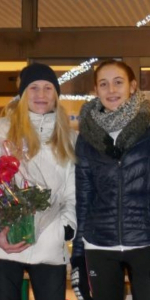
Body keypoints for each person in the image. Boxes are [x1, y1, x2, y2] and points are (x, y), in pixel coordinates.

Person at [71, 59, 150, 300]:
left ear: (132, 86)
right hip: (99, 244)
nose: (111, 90)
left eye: (118, 82)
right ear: (96, 90)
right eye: (104, 84)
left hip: (149, 241)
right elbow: (84, 198)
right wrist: (78, 256)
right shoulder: (87, 135)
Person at [0, 63, 77, 300]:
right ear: (23, 94)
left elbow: (74, 193)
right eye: (33, 87)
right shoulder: (3, 131)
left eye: (48, 88)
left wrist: (64, 229)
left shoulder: (70, 138)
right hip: (5, 245)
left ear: (56, 95)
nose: (41, 95)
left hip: (49, 246)